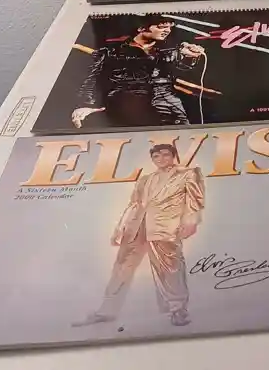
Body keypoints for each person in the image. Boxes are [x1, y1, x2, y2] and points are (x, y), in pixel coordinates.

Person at [74, 144, 204, 328]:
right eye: (156, 156)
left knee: (170, 269)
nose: (161, 159)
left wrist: (192, 222)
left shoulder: (188, 174)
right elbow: (134, 204)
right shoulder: (145, 179)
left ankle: (178, 310)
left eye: (165, 155)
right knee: (121, 268)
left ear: (174, 156)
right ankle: (106, 311)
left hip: (164, 227)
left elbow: (195, 200)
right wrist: (120, 228)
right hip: (136, 228)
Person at [71, 20, 205, 128]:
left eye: (170, 26)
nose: (167, 30)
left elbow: (183, 65)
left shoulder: (168, 50)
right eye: (162, 26)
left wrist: (190, 55)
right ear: (141, 28)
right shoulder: (111, 52)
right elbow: (91, 81)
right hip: (130, 110)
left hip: (169, 110)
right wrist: (86, 106)